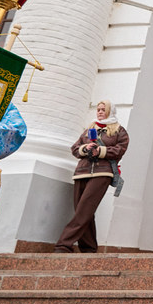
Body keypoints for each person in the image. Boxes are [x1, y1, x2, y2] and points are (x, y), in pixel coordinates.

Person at [54, 100, 129, 253]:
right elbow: (75, 148)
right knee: (83, 211)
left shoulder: (119, 131)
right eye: (98, 109)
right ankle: (89, 248)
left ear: (110, 111)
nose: (100, 112)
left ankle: (63, 244)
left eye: (103, 109)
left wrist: (100, 151)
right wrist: (85, 148)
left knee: (84, 209)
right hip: (82, 172)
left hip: (102, 173)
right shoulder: (90, 129)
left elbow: (120, 149)